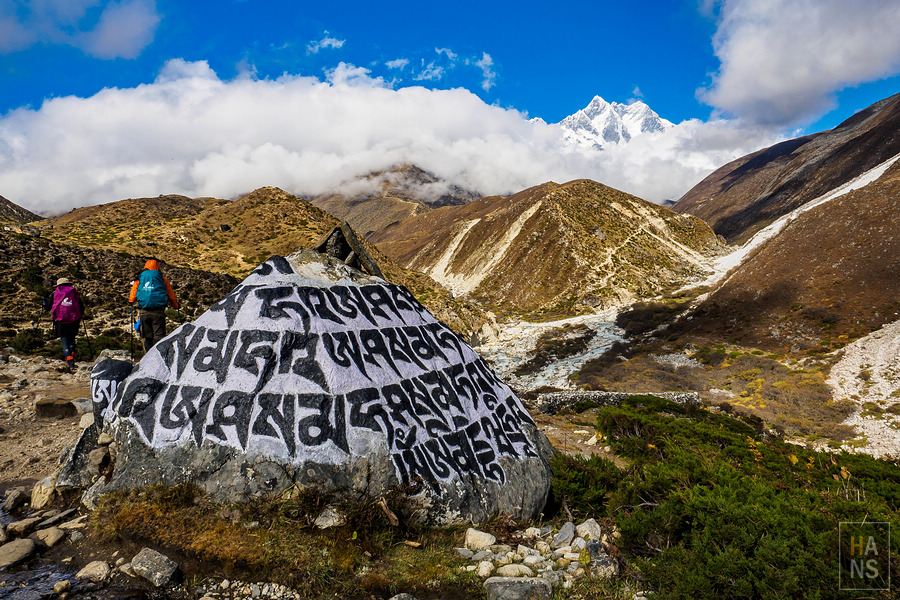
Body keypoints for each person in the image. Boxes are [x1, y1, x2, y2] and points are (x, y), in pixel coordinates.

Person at [129, 259, 179, 352]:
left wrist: (131, 302)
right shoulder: (163, 280)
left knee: (148, 338)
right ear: (158, 268)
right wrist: (176, 306)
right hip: (158, 312)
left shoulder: (139, 279)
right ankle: (161, 356)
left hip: (144, 312)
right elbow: (171, 295)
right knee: (160, 338)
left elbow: (133, 296)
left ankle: (148, 357)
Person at [44, 277, 85, 370]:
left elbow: (47, 307)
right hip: (74, 320)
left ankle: (69, 359)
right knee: (72, 338)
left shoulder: (55, 293)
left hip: (60, 321)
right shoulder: (74, 293)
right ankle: (72, 353)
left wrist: (44, 304)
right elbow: (81, 307)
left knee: (64, 339)